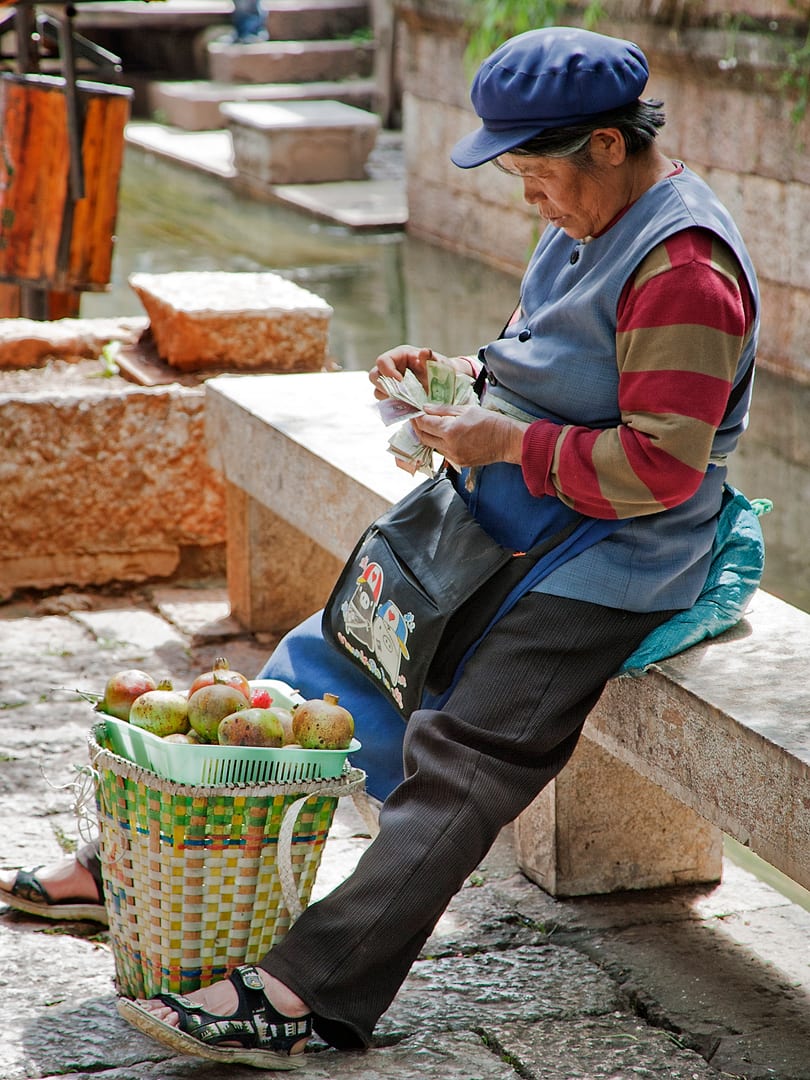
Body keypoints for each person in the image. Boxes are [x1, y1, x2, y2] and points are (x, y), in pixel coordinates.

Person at [0, 25, 759, 1069]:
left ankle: (304, 994)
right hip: (496, 513)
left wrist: (509, 444)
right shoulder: (583, 223)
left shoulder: (685, 270)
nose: (529, 196)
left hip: (613, 556)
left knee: (467, 760)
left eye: (538, 172)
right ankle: (135, 864)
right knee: (328, 661)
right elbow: (538, 365)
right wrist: (448, 379)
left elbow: (665, 468)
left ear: (609, 145)